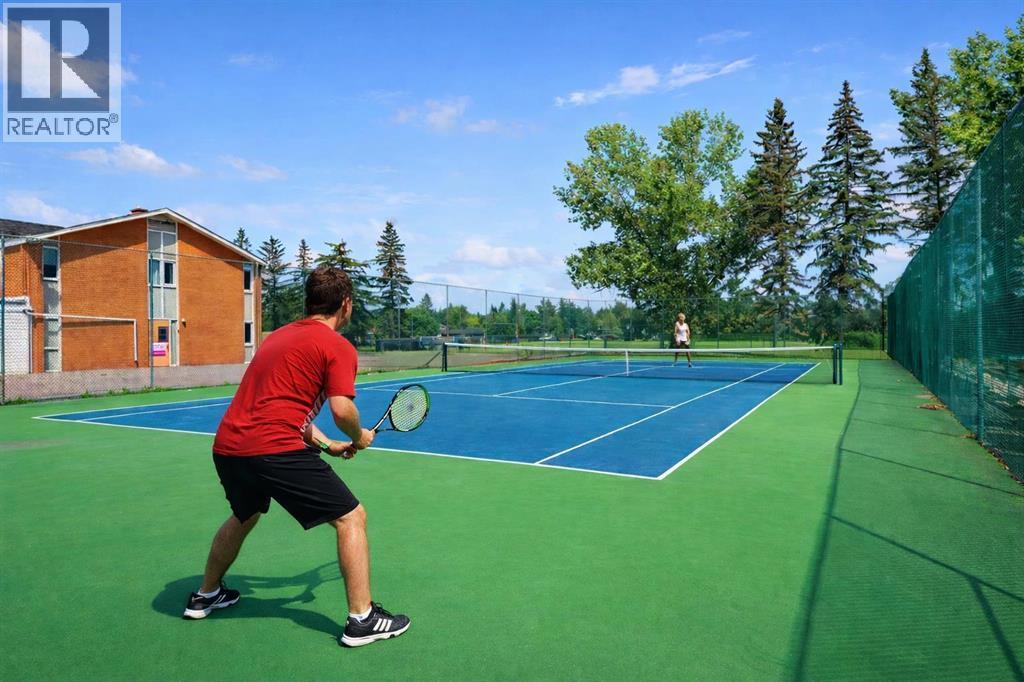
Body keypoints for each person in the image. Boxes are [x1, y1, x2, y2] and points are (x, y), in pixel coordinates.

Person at [182, 266, 410, 648]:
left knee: (245, 514)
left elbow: (279, 407)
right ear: (346, 304)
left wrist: (327, 444)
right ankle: (362, 618)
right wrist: (359, 436)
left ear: (309, 302)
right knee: (351, 517)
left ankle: (205, 595)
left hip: (228, 447)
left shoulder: (278, 337)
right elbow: (342, 410)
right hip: (272, 449)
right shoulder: (337, 346)